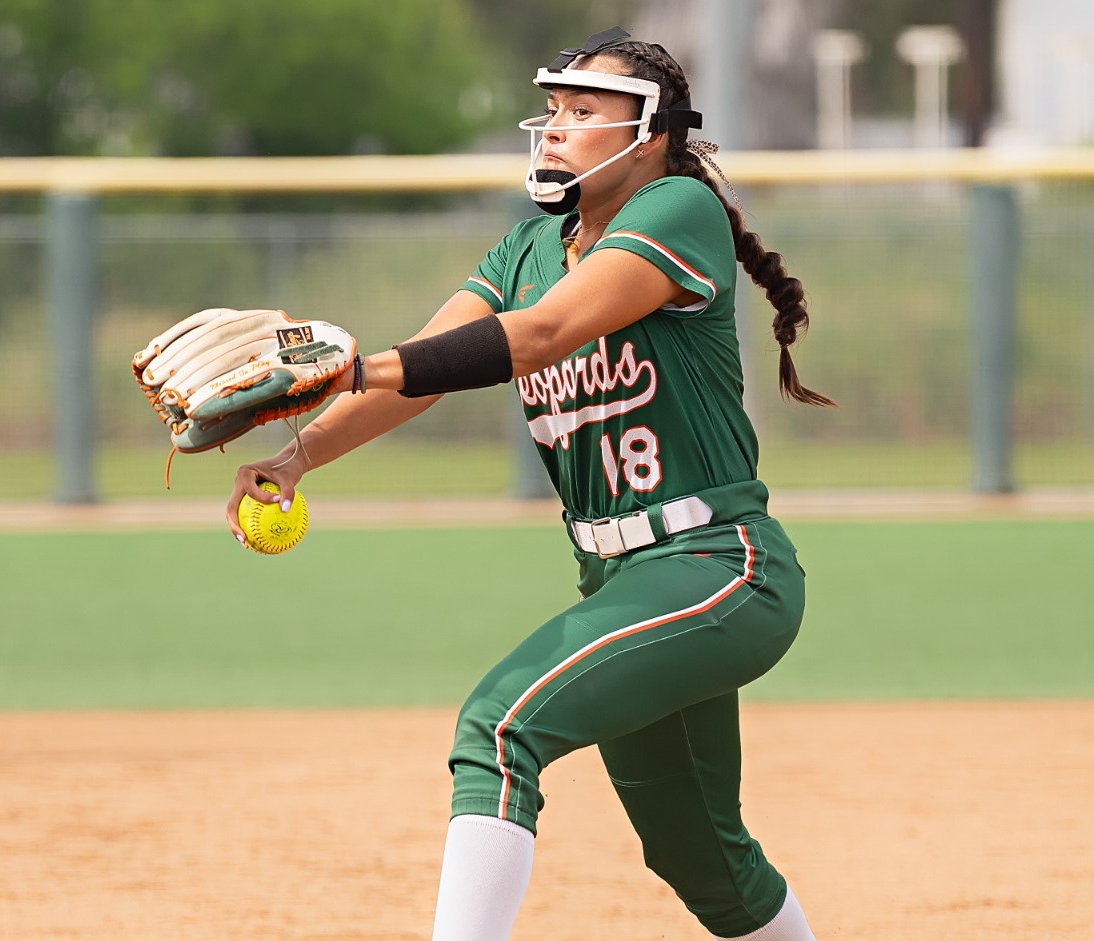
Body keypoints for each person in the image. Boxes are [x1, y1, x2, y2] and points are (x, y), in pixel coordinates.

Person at [228, 28, 832, 941]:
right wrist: (299, 454)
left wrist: (351, 367)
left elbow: (542, 336)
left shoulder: (676, 210)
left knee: (499, 730)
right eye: (552, 110)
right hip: (623, 581)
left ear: (654, 132)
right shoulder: (525, 250)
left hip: (719, 564)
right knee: (701, 856)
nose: (555, 129)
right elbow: (425, 371)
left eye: (585, 112)